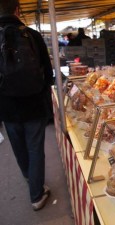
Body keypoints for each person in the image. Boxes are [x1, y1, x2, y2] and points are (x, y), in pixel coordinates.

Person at [0, 0, 53, 211]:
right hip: (33, 105)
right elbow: (48, 73)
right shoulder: (32, 35)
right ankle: (37, 194)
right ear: (17, 9)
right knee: (35, 149)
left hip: (6, 107)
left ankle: (31, 179)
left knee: (19, 148)